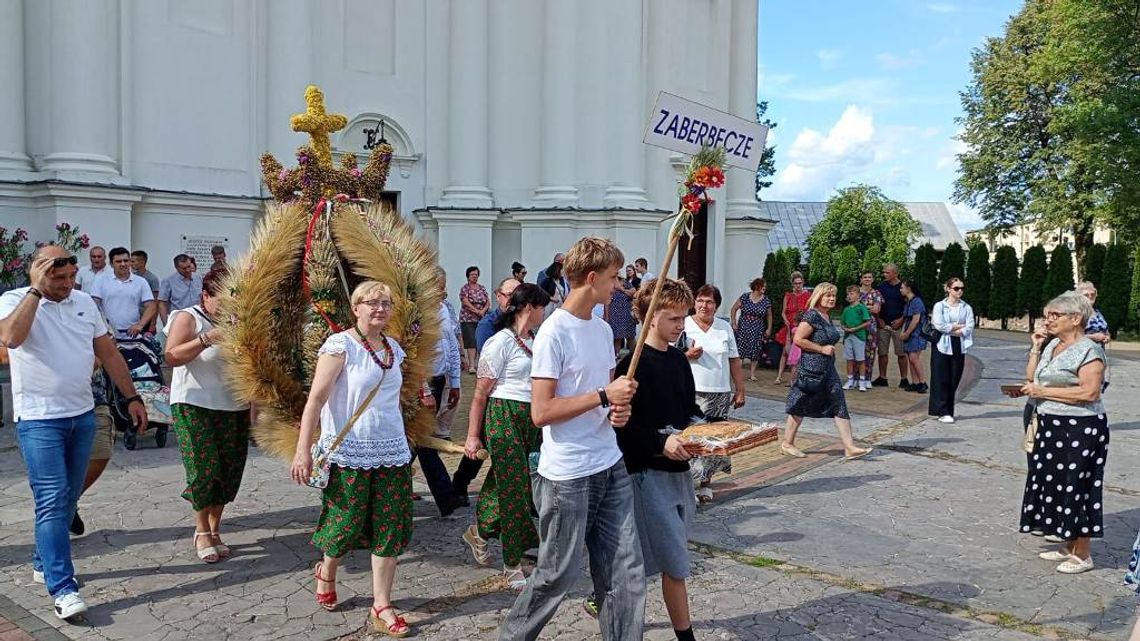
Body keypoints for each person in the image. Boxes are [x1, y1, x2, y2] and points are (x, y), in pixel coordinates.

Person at [499, 236, 643, 641]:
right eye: (614, 278)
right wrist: (601, 396)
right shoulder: (553, 333)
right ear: (592, 278)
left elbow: (607, 394)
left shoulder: (600, 329)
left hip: (610, 465)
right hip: (567, 477)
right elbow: (541, 412)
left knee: (625, 573)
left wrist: (617, 408)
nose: (618, 286)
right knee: (556, 576)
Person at [0, 245, 147, 620]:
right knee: (51, 498)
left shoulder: (83, 301)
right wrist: (35, 290)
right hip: (39, 420)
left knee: (67, 497)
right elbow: (11, 339)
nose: (67, 285)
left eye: (70, 278)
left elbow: (109, 353)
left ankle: (41, 560)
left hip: (82, 415)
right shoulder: (15, 300)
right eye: (57, 278)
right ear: (37, 272)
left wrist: (132, 396)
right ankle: (63, 588)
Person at [290, 281, 415, 636]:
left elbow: (391, 400)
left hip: (390, 451)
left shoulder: (394, 349)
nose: (380, 309)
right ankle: (327, 570)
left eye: (386, 303)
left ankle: (382, 604)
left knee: (389, 528)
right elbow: (314, 400)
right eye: (372, 303)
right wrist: (303, 451)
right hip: (349, 452)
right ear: (356, 308)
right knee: (345, 526)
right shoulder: (340, 345)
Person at [616, 278, 700, 641]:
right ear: (650, 317)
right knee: (674, 563)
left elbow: (689, 410)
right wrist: (659, 442)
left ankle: (599, 595)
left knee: (652, 559)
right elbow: (623, 430)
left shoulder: (679, 360)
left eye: (684, 318)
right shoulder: (631, 367)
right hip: (648, 473)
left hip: (681, 472)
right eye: (672, 318)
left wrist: (706, 433)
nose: (681, 326)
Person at [1005, 291, 1107, 575]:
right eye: (1047, 314)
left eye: (1055, 315)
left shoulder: (1089, 350)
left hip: (1080, 427)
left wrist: (1042, 391)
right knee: (1054, 484)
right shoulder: (1053, 346)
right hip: (1049, 423)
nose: (1048, 320)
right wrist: (1036, 348)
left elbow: (1090, 392)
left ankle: (1083, 553)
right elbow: (1032, 378)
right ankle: (1067, 540)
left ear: (1076, 319)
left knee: (1078, 485)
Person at [461, 283, 551, 590]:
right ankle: (512, 562)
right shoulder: (500, 342)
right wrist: (473, 436)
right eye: (542, 306)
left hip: (532, 419)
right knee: (515, 491)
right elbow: (480, 394)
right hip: (503, 417)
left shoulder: (537, 341)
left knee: (510, 484)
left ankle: (481, 531)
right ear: (529, 308)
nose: (544, 312)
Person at [164, 269, 251, 563]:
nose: (228, 307)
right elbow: (172, 356)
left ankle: (215, 530)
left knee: (228, 472)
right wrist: (207, 339)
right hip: (194, 403)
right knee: (204, 469)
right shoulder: (188, 317)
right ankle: (201, 530)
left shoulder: (240, 320)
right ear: (206, 296)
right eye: (222, 300)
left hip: (234, 406)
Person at [779, 283, 873, 461]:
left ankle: (849, 446)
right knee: (800, 403)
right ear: (818, 297)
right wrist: (821, 349)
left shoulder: (826, 316)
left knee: (839, 402)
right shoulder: (812, 316)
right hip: (811, 369)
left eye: (834, 296)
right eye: (828, 296)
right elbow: (799, 339)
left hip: (828, 369)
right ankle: (787, 443)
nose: (832, 299)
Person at [684, 284, 746, 503]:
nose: (704, 305)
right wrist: (687, 354)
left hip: (719, 392)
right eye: (700, 300)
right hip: (690, 392)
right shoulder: (684, 324)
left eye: (709, 302)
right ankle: (687, 485)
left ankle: (705, 484)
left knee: (713, 440)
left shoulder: (724, 327)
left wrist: (740, 389)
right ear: (694, 302)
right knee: (691, 439)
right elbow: (669, 355)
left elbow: (734, 359)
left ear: (716, 305)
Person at [416, 268, 468, 516]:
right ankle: (445, 496)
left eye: (444, 285)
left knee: (422, 441)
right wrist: (422, 388)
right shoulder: (415, 310)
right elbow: (414, 354)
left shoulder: (445, 308)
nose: (442, 290)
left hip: (439, 381)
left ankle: (445, 497)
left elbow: (450, 345)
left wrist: (455, 381)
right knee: (421, 441)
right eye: (438, 285)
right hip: (420, 385)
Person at [928, 278, 973, 423]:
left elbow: (970, 326)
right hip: (942, 343)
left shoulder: (966, 307)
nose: (959, 291)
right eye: (956, 288)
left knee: (955, 377)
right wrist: (956, 326)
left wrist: (957, 330)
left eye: (961, 288)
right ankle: (942, 410)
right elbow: (939, 324)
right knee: (940, 377)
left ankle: (949, 409)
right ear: (948, 289)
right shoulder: (939, 306)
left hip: (958, 343)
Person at [90, 247, 157, 338]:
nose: (123, 264)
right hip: (107, 334)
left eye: (126, 261)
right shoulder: (101, 280)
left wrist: (140, 325)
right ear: (111, 264)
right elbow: (94, 305)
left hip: (132, 334)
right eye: (118, 261)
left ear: (130, 262)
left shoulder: (141, 282)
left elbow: (151, 306)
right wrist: (101, 327)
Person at [730, 278, 772, 381]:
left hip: (757, 327)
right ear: (757, 286)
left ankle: (752, 374)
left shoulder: (766, 300)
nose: (765, 288)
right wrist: (734, 323)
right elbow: (733, 309)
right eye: (763, 286)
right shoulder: (745, 297)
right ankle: (738, 373)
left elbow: (769, 316)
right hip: (744, 326)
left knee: (755, 349)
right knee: (741, 349)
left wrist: (769, 328)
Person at [873, 263, 908, 387]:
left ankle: (904, 379)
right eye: (884, 272)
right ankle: (883, 378)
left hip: (899, 326)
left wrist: (901, 319)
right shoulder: (881, 287)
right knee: (882, 353)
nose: (884, 274)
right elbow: (876, 304)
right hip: (883, 325)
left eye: (887, 272)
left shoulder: (903, 287)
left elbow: (908, 305)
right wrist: (878, 320)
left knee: (902, 353)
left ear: (895, 273)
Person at [775, 271, 810, 385]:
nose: (798, 286)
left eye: (799, 283)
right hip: (789, 325)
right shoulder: (788, 296)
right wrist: (785, 320)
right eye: (795, 283)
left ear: (803, 283)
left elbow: (809, 310)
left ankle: (795, 377)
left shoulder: (807, 295)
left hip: (801, 325)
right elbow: (783, 312)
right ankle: (779, 376)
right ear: (792, 284)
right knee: (785, 351)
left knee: (798, 351)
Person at [459, 266, 491, 375]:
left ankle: (478, 364)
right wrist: (476, 311)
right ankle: (471, 365)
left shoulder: (482, 288)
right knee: (471, 341)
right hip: (468, 318)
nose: (475, 276)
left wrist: (483, 310)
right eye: (472, 274)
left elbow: (487, 301)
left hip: (481, 318)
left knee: (479, 340)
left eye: (476, 275)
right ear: (468, 276)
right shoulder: (465, 288)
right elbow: (465, 301)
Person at [476, 277, 521, 352]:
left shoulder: (527, 321)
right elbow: (486, 355)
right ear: (498, 296)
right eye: (510, 295)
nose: (514, 299)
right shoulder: (487, 324)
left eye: (519, 295)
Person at [840, 285, 872, 392]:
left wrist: (855, 328)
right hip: (848, 336)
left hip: (859, 336)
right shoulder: (846, 309)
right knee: (849, 359)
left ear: (858, 295)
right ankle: (850, 380)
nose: (849, 296)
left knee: (860, 359)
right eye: (848, 294)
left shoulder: (861, 307)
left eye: (852, 293)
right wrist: (845, 328)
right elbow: (842, 323)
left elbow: (867, 321)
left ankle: (862, 381)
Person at [899, 280, 928, 393]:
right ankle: (915, 382)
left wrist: (907, 333)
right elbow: (907, 319)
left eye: (902, 287)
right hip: (911, 334)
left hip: (917, 334)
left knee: (913, 358)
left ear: (909, 288)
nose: (900, 290)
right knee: (911, 358)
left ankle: (922, 382)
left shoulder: (917, 302)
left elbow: (916, 320)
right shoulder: (909, 302)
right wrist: (903, 332)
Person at [158, 254, 204, 326]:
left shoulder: (198, 278)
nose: (188, 270)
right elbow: (162, 304)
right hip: (178, 322)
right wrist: (166, 324)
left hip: (198, 320)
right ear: (177, 268)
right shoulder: (168, 281)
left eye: (189, 266)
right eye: (184, 268)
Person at [857, 271, 884, 382]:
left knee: (870, 352)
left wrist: (862, 307)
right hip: (856, 325)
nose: (867, 279)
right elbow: (852, 308)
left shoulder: (876, 293)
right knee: (856, 351)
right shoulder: (855, 292)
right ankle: (854, 377)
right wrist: (869, 307)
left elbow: (876, 309)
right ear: (861, 279)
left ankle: (866, 378)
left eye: (869, 277)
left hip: (871, 327)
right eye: (865, 277)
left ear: (873, 279)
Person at [605, 268, 637, 354]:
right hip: (615, 315)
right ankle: (616, 357)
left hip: (627, 314)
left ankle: (635, 357)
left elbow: (634, 292)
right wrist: (607, 317)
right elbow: (607, 303)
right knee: (617, 338)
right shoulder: (610, 285)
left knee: (630, 337)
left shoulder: (626, 283)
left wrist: (621, 289)